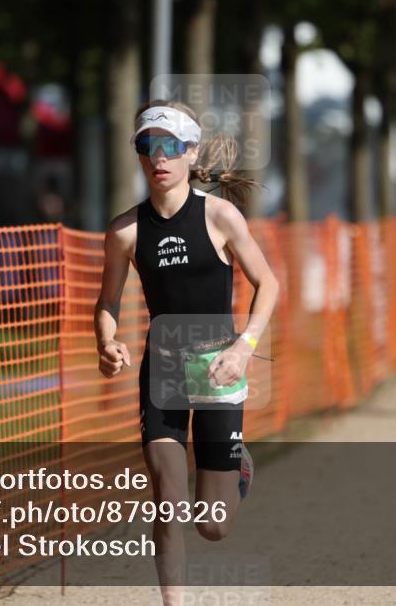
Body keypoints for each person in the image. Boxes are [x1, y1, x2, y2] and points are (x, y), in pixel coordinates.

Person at [94, 100, 279, 605]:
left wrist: (244, 348)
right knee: (168, 497)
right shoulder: (125, 231)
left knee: (212, 526)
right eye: (147, 145)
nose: (159, 157)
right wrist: (106, 341)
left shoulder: (220, 216)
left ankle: (237, 469)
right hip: (164, 371)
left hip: (220, 368)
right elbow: (108, 301)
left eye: (171, 146)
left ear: (191, 152)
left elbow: (268, 284)